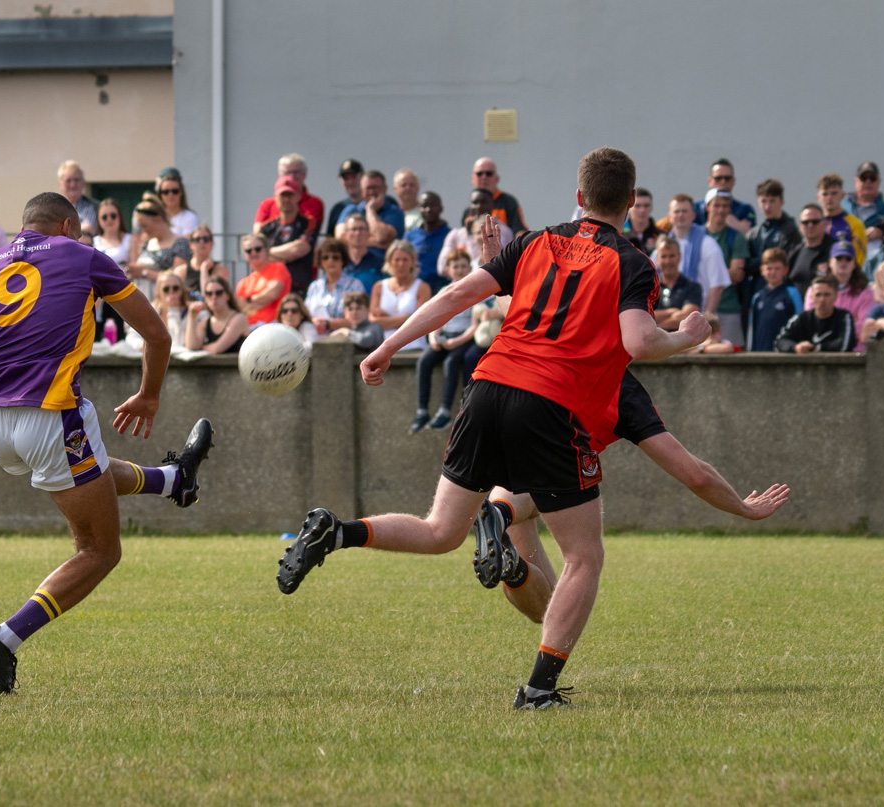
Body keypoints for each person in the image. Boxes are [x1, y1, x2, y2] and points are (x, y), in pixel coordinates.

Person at [277, 148, 711, 711]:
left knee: (440, 530)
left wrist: (387, 346)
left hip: (485, 388)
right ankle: (537, 690)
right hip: (549, 403)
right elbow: (639, 343)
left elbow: (457, 295)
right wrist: (688, 334)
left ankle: (337, 531)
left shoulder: (531, 242)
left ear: (578, 197)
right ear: (631, 202)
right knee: (584, 557)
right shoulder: (632, 263)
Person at [0, 191, 212, 695]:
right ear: (65, 225)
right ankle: (5, 638)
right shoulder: (84, 257)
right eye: (78, 232)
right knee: (100, 550)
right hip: (50, 414)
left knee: (92, 472)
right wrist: (148, 396)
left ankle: (175, 479)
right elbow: (158, 337)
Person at [484, 368, 788, 626]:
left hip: (496, 439)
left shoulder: (543, 349)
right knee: (548, 484)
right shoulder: (623, 391)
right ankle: (499, 521)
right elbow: (696, 475)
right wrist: (743, 508)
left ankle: (510, 556)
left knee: (546, 609)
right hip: (548, 470)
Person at [410, 247, 476, 433]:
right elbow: (436, 318)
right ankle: (422, 410)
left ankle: (444, 412)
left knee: (451, 362)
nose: (460, 270)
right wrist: (433, 337)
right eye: (456, 266)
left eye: (464, 266)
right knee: (424, 360)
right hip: (445, 336)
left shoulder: (475, 290)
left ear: (469, 268)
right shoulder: (443, 290)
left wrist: (457, 342)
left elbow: (474, 325)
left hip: (463, 338)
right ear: (448, 269)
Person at [665, 194, 729, 314]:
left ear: (693, 215)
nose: (680, 215)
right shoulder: (662, 248)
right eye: (676, 211)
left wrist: (706, 318)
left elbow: (717, 286)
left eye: (684, 211)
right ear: (669, 217)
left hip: (699, 315)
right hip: (668, 320)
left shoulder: (708, 244)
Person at [703, 189, 751, 347]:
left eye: (725, 206)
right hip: (699, 307)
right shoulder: (697, 235)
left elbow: (737, 274)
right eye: (717, 205)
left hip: (728, 308)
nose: (721, 210)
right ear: (707, 207)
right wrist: (723, 273)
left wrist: (705, 273)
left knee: (733, 354)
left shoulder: (736, 237)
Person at [809, 240, 873, 350]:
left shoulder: (865, 292)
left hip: (854, 353)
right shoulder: (815, 289)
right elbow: (811, 322)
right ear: (830, 262)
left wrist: (831, 332)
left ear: (854, 264)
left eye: (848, 259)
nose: (843, 262)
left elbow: (866, 327)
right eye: (838, 258)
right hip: (819, 351)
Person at [370, 240, 431, 351]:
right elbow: (373, 321)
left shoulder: (422, 287)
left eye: (405, 260)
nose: (401, 264)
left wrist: (386, 318)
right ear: (390, 261)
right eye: (397, 260)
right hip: (383, 348)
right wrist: (407, 319)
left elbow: (419, 322)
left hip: (413, 346)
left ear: (412, 262)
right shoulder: (379, 286)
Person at [259, 176, 316, 295]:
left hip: (299, 288)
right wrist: (287, 253)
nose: (286, 199)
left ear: (298, 196)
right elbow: (258, 257)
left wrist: (268, 252)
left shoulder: (308, 222)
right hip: (272, 289)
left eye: (290, 195)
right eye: (282, 195)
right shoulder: (266, 228)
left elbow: (299, 250)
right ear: (275, 197)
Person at [129, 195, 190, 301]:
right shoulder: (147, 244)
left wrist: (144, 273)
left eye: (145, 226)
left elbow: (178, 279)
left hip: (164, 303)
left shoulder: (180, 243)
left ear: (158, 219)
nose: (143, 230)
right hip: (142, 300)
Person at [438, 190, 513, 275]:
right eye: (475, 202)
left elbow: (506, 263)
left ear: (493, 205)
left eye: (484, 202)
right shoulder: (456, 235)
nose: (479, 206)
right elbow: (442, 268)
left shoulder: (504, 231)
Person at [775, 275, 855, 353]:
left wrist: (816, 348)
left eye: (827, 294)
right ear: (812, 297)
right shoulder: (800, 318)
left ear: (835, 296)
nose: (822, 299)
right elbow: (780, 341)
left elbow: (845, 345)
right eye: (818, 295)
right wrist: (796, 347)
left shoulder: (844, 317)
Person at [253, 153, 324, 240]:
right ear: (279, 174)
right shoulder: (267, 204)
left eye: (296, 172)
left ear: (305, 174)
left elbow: (308, 237)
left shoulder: (314, 203)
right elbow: (258, 236)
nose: (291, 176)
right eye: (287, 172)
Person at [334, 170, 405, 253]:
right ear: (362, 190)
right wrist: (376, 243)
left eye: (375, 187)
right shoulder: (351, 210)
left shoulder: (395, 212)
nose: (372, 192)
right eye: (368, 188)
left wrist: (371, 210)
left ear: (384, 188)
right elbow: (340, 237)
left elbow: (381, 237)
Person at [747, 248, 803, 351]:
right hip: (760, 352)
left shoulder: (792, 293)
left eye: (777, 268)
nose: (773, 272)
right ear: (762, 270)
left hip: (784, 353)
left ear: (785, 270)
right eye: (769, 268)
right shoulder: (757, 297)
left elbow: (800, 324)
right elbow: (752, 329)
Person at [305, 237, 364, 333]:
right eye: (325, 257)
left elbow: (360, 319)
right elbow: (306, 316)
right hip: (315, 338)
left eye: (335, 257)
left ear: (343, 260)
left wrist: (328, 324)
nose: (330, 261)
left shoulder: (354, 285)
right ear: (321, 262)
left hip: (346, 340)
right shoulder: (314, 287)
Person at [91, 198, 131, 342]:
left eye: (113, 215)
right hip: (100, 295)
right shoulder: (94, 242)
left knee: (121, 333)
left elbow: (133, 266)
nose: (109, 220)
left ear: (120, 217)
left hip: (122, 290)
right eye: (104, 217)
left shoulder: (129, 240)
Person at [234, 233, 291, 326]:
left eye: (258, 249)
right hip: (249, 328)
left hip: (273, 325)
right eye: (248, 250)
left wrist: (249, 300)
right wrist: (261, 299)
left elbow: (272, 294)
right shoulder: (242, 283)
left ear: (267, 251)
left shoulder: (278, 267)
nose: (253, 253)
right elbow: (242, 308)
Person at [747, 179, 800, 275]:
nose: (767, 207)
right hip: (758, 287)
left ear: (781, 202)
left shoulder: (789, 230)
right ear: (758, 203)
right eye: (763, 201)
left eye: (772, 201)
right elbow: (746, 264)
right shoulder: (754, 233)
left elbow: (786, 260)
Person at [461, 156, 527, 234]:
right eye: (479, 174)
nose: (484, 177)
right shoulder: (468, 210)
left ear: (497, 179)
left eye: (489, 174)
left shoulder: (508, 202)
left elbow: (519, 231)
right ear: (472, 178)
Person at [185, 276, 249, 354]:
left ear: (228, 295)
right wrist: (191, 317)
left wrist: (201, 348)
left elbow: (217, 349)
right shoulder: (206, 322)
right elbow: (192, 346)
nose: (214, 297)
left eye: (219, 293)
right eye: (209, 294)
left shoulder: (239, 318)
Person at [404, 191, 451, 292]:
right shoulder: (410, 236)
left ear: (440, 208)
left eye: (432, 205)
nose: (428, 210)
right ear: (419, 209)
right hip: (416, 288)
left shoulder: (450, 235)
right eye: (424, 206)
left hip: (443, 288)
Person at [691, 158, 755, 233]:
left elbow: (752, 238)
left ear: (733, 181)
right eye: (718, 178)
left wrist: (735, 225)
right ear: (709, 181)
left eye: (727, 178)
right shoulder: (695, 208)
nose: (723, 181)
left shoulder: (745, 209)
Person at [652, 235, 702, 331]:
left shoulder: (692, 287)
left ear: (679, 257)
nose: (668, 261)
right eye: (663, 256)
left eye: (672, 256)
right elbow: (644, 315)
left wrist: (654, 327)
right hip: (655, 344)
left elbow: (687, 318)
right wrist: (671, 312)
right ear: (657, 259)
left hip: (683, 344)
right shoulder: (649, 287)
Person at [843, 161, 884, 252]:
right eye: (864, 178)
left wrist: (883, 233)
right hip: (846, 258)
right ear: (856, 181)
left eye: (872, 178)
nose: (868, 182)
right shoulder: (841, 209)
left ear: (878, 182)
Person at [817, 173, 866, 262]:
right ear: (818, 197)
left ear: (842, 195)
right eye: (825, 194)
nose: (829, 198)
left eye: (834, 193)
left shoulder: (855, 224)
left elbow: (859, 260)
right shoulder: (813, 224)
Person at [788, 204, 833, 297]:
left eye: (815, 222)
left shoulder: (835, 251)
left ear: (824, 224)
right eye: (805, 222)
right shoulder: (795, 252)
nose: (810, 225)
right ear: (800, 226)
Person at [339, 213, 385, 293]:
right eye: (353, 229)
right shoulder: (338, 262)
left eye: (361, 229)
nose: (358, 233)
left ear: (368, 233)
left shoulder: (380, 263)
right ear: (345, 235)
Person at [57, 160, 98, 243]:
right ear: (60, 184)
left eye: (76, 180)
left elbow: (90, 230)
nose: (73, 184)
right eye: (68, 180)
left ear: (83, 183)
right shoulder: (53, 208)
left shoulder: (93, 207)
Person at [182, 224, 228, 295]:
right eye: (197, 239)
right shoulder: (182, 271)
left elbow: (209, 295)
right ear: (191, 244)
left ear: (212, 243)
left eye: (206, 239)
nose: (201, 242)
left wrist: (204, 268)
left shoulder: (219, 270)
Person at [325, 159, 364, 239]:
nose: (350, 182)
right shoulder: (338, 209)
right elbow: (331, 240)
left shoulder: (382, 204)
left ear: (363, 177)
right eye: (345, 178)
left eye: (353, 177)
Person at [155, 170, 199, 238]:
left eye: (175, 191)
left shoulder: (189, 217)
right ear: (160, 195)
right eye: (165, 192)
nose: (170, 195)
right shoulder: (155, 217)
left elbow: (186, 244)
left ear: (181, 192)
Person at [621, 188, 662, 253]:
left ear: (652, 207)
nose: (642, 210)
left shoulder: (660, 236)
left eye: (646, 206)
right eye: (637, 206)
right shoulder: (620, 235)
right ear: (629, 207)